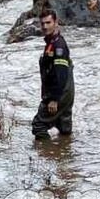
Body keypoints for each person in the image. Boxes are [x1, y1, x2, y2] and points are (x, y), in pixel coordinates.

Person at [31, 8, 74, 139]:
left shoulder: (58, 46)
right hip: (66, 93)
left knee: (38, 125)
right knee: (64, 129)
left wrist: (54, 99)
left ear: (56, 22)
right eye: (42, 23)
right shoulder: (51, 42)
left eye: (48, 22)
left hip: (60, 93)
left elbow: (60, 74)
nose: (44, 26)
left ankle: (46, 156)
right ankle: (63, 154)